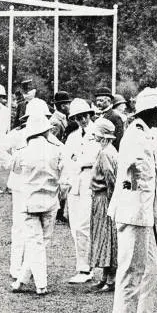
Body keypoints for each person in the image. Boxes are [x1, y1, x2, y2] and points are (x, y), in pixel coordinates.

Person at [108, 86, 157, 313]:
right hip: (133, 212)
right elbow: (128, 175)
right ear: (150, 112)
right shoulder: (135, 135)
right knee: (131, 269)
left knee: (149, 268)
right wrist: (133, 197)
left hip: (144, 212)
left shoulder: (144, 133)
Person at [10, 113, 64, 296]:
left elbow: (14, 168)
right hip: (50, 202)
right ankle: (22, 281)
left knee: (34, 243)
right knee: (41, 243)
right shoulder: (56, 149)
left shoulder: (22, 152)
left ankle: (40, 283)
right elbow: (65, 168)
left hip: (29, 202)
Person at [62, 98, 97, 284]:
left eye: (85, 116)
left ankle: (86, 268)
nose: (83, 120)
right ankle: (83, 266)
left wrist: (78, 161)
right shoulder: (73, 137)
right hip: (74, 184)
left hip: (89, 182)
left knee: (84, 226)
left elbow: (93, 158)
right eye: (78, 117)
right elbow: (67, 160)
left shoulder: (97, 133)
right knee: (75, 227)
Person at [88, 117, 118, 292]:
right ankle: (106, 277)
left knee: (107, 237)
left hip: (104, 198)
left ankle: (111, 279)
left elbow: (110, 177)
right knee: (104, 237)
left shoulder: (106, 153)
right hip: (102, 197)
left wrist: (112, 199)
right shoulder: (109, 151)